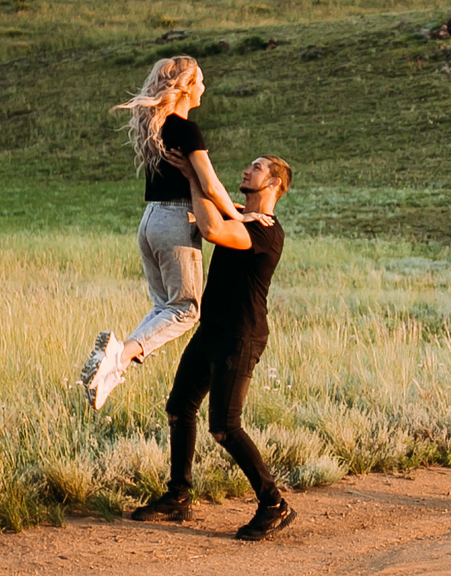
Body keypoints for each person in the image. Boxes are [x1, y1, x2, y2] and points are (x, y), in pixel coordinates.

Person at [132, 155, 295, 539]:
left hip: (241, 336)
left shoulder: (266, 231)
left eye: (256, 168)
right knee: (179, 407)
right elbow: (217, 207)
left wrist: (192, 173)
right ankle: (178, 499)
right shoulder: (241, 215)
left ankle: (274, 503)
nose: (246, 170)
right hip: (212, 331)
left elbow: (211, 230)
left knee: (224, 427)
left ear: (274, 184)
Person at [82, 57, 249, 410]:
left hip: (150, 221)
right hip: (176, 221)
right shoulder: (187, 130)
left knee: (164, 307)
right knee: (186, 310)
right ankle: (117, 356)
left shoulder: (158, 126)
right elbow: (209, 184)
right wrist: (239, 214)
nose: (205, 86)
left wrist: (229, 206)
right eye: (201, 80)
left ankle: (110, 370)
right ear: (186, 86)